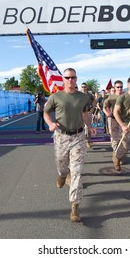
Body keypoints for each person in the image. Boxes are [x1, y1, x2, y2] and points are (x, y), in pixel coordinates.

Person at [43, 68, 95, 222]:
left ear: (76, 79)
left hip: (78, 137)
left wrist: (89, 126)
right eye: (68, 77)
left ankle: (75, 206)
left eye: (73, 77)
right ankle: (62, 175)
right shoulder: (56, 97)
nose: (70, 80)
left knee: (77, 172)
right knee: (61, 165)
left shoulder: (83, 97)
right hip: (61, 137)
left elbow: (84, 113)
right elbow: (45, 112)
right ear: (63, 79)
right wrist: (51, 123)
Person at [103, 80, 124, 170]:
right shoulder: (111, 98)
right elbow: (104, 107)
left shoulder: (125, 96)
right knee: (115, 140)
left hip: (124, 121)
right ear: (114, 88)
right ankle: (116, 158)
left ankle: (119, 154)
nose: (119, 88)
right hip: (114, 120)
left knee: (123, 140)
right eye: (118, 87)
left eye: (121, 87)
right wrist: (107, 113)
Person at [80, 82, 95, 148]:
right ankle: (81, 141)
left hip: (88, 112)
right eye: (82, 87)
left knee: (88, 127)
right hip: (79, 113)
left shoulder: (89, 95)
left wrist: (93, 108)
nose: (83, 88)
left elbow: (94, 101)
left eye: (85, 87)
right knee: (80, 128)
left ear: (86, 88)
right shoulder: (78, 94)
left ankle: (88, 141)